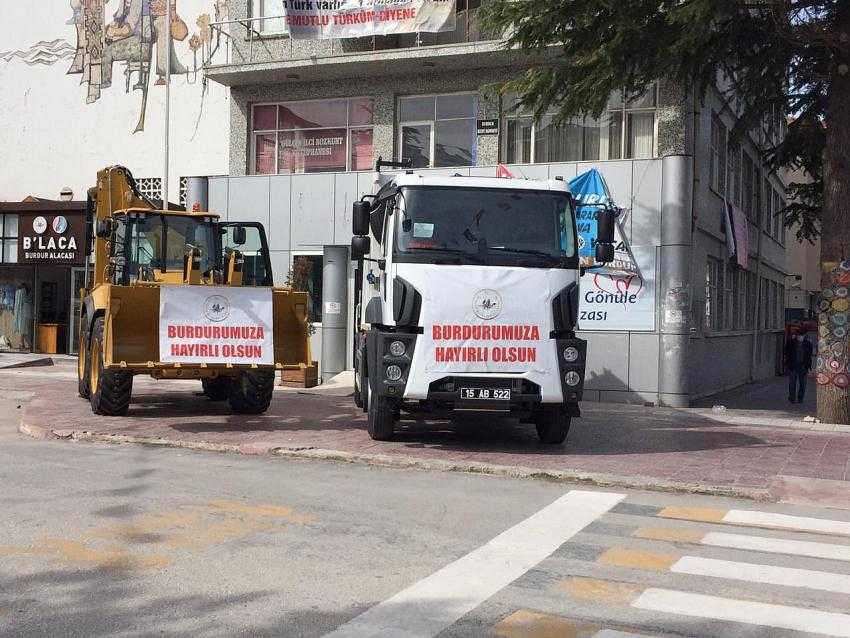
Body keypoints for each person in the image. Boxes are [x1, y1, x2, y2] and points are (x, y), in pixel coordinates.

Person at [784, 333, 813, 403]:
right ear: (796, 336)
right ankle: (792, 398)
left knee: (803, 384)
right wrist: (788, 363)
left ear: (804, 337)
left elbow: (809, 355)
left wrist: (808, 366)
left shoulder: (807, 344)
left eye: (801, 336)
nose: (800, 337)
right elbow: (786, 352)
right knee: (792, 383)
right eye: (799, 336)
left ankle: (800, 398)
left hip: (803, 366)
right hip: (793, 366)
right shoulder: (791, 343)